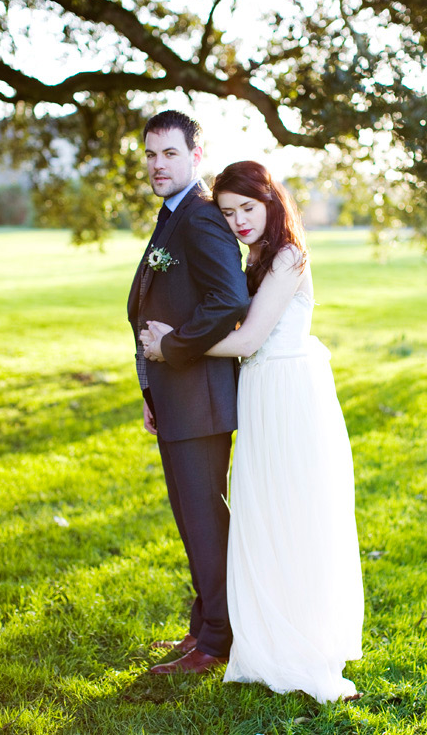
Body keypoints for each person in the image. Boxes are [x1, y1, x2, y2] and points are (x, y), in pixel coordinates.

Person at [142, 161, 364, 703]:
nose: (239, 221)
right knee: (262, 513)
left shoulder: (289, 256)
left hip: (290, 392)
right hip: (262, 394)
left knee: (293, 512)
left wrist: (170, 345)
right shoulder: (257, 255)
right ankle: (262, 635)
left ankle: (302, 646)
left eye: (248, 208)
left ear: (272, 202)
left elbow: (248, 340)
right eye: (228, 212)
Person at [127, 112, 250, 675]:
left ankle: (218, 642)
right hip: (175, 398)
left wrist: (171, 348)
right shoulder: (172, 214)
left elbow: (228, 301)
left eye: (169, 154)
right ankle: (203, 626)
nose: (157, 164)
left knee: (204, 519)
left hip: (200, 400)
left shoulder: (200, 218)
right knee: (189, 516)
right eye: (151, 154)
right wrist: (153, 392)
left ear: (195, 158)